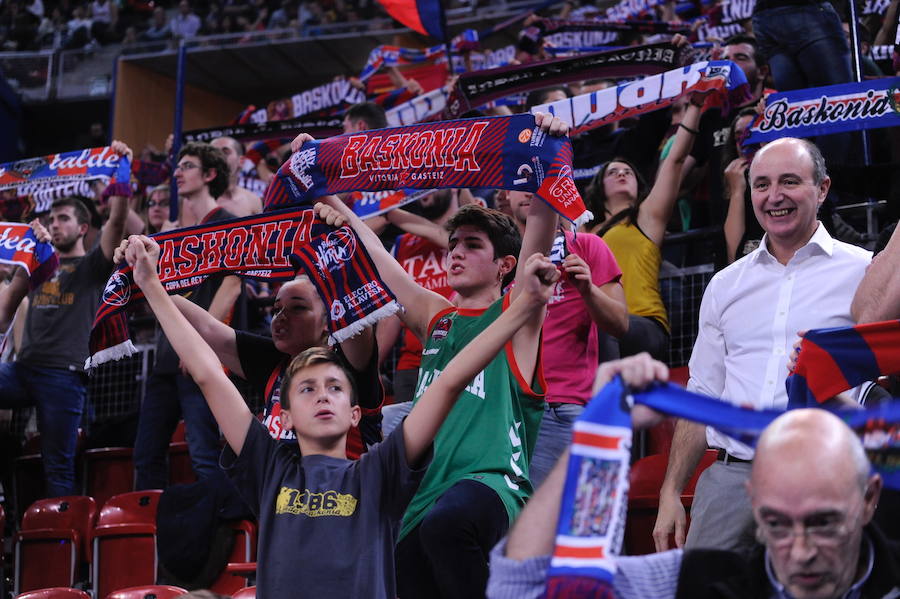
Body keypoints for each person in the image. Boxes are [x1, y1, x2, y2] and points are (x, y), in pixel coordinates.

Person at [123, 230, 560, 598]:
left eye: (335, 387)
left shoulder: (380, 472)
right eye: (307, 389)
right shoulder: (268, 466)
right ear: (285, 416)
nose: (322, 396)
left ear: (356, 413)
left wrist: (522, 309)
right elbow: (206, 373)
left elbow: (448, 381)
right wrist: (151, 285)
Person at [310, 112, 570, 598]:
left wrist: (549, 154)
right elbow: (379, 263)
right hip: (427, 491)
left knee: (447, 527)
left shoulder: (519, 313)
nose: (454, 252)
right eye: (452, 243)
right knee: (398, 567)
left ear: (504, 265)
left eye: (471, 245)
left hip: (491, 485)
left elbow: (539, 232)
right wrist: (324, 191)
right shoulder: (438, 317)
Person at [487, 354, 896, 599]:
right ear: (753, 501)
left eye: (823, 523)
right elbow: (525, 589)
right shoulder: (706, 582)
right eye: (777, 524)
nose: (801, 552)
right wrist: (593, 436)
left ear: (867, 499)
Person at [652, 137, 871, 555]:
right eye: (762, 184)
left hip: (826, 479)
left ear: (822, 188)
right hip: (731, 483)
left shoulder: (863, 270)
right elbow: (703, 392)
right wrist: (670, 492)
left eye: (789, 181)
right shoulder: (725, 285)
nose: (774, 197)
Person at [0, 141, 132, 497]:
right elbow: (3, 312)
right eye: (50, 219)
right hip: (24, 370)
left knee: (57, 466)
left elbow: (118, 221)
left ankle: (64, 543)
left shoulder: (91, 265)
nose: (54, 226)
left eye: (63, 219)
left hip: (63, 376)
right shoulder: (38, 263)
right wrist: (23, 256)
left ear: (83, 228)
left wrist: (121, 172)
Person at [133, 142, 243, 490]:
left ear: (210, 174)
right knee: (145, 453)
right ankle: (154, 533)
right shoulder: (171, 232)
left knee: (203, 455)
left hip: (200, 357)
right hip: (168, 356)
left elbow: (233, 286)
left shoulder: (227, 222)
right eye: (177, 166)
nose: (177, 172)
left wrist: (198, 343)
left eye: (188, 166)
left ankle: (217, 531)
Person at [507, 189, 627, 487]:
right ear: (504, 195)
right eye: (519, 183)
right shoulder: (499, 259)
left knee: (556, 524)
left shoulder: (587, 246)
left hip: (562, 404)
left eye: (537, 183)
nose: (528, 191)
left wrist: (588, 290)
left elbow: (620, 323)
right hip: (505, 409)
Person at [582, 95, 703, 361]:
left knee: (602, 330)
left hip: (643, 325)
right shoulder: (583, 232)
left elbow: (675, 161)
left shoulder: (647, 218)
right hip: (594, 329)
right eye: (613, 172)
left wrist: (695, 106)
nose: (622, 174)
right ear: (600, 188)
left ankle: (607, 401)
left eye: (627, 171)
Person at [210, 136, 262, 217]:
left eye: (225, 152)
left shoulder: (253, 200)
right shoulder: (196, 200)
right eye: (213, 153)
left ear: (241, 161)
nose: (218, 157)